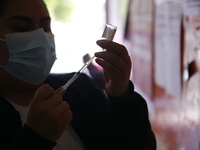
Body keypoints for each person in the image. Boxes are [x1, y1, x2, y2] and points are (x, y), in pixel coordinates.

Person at [0, 0, 156, 150]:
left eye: (45, 27)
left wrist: (121, 97)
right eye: (20, 28)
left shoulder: (81, 89)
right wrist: (35, 139)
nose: (39, 37)